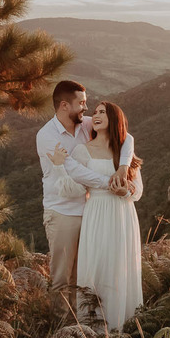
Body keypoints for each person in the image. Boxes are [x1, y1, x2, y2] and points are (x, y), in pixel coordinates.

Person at [37, 81, 134, 311]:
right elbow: (74, 171)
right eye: (81, 103)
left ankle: (83, 326)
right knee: (62, 278)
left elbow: (125, 136)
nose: (86, 107)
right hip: (62, 212)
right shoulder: (46, 136)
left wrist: (122, 167)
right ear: (64, 106)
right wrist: (109, 183)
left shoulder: (84, 123)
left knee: (83, 276)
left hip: (90, 212)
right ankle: (62, 332)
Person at [47, 101, 143, 330]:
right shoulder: (83, 150)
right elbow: (69, 189)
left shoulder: (125, 153)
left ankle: (123, 328)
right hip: (97, 214)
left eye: (103, 112)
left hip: (122, 214)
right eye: (95, 112)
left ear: (115, 118)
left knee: (120, 266)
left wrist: (126, 190)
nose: (96, 115)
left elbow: (137, 191)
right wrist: (61, 167)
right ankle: (95, 329)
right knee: (97, 267)